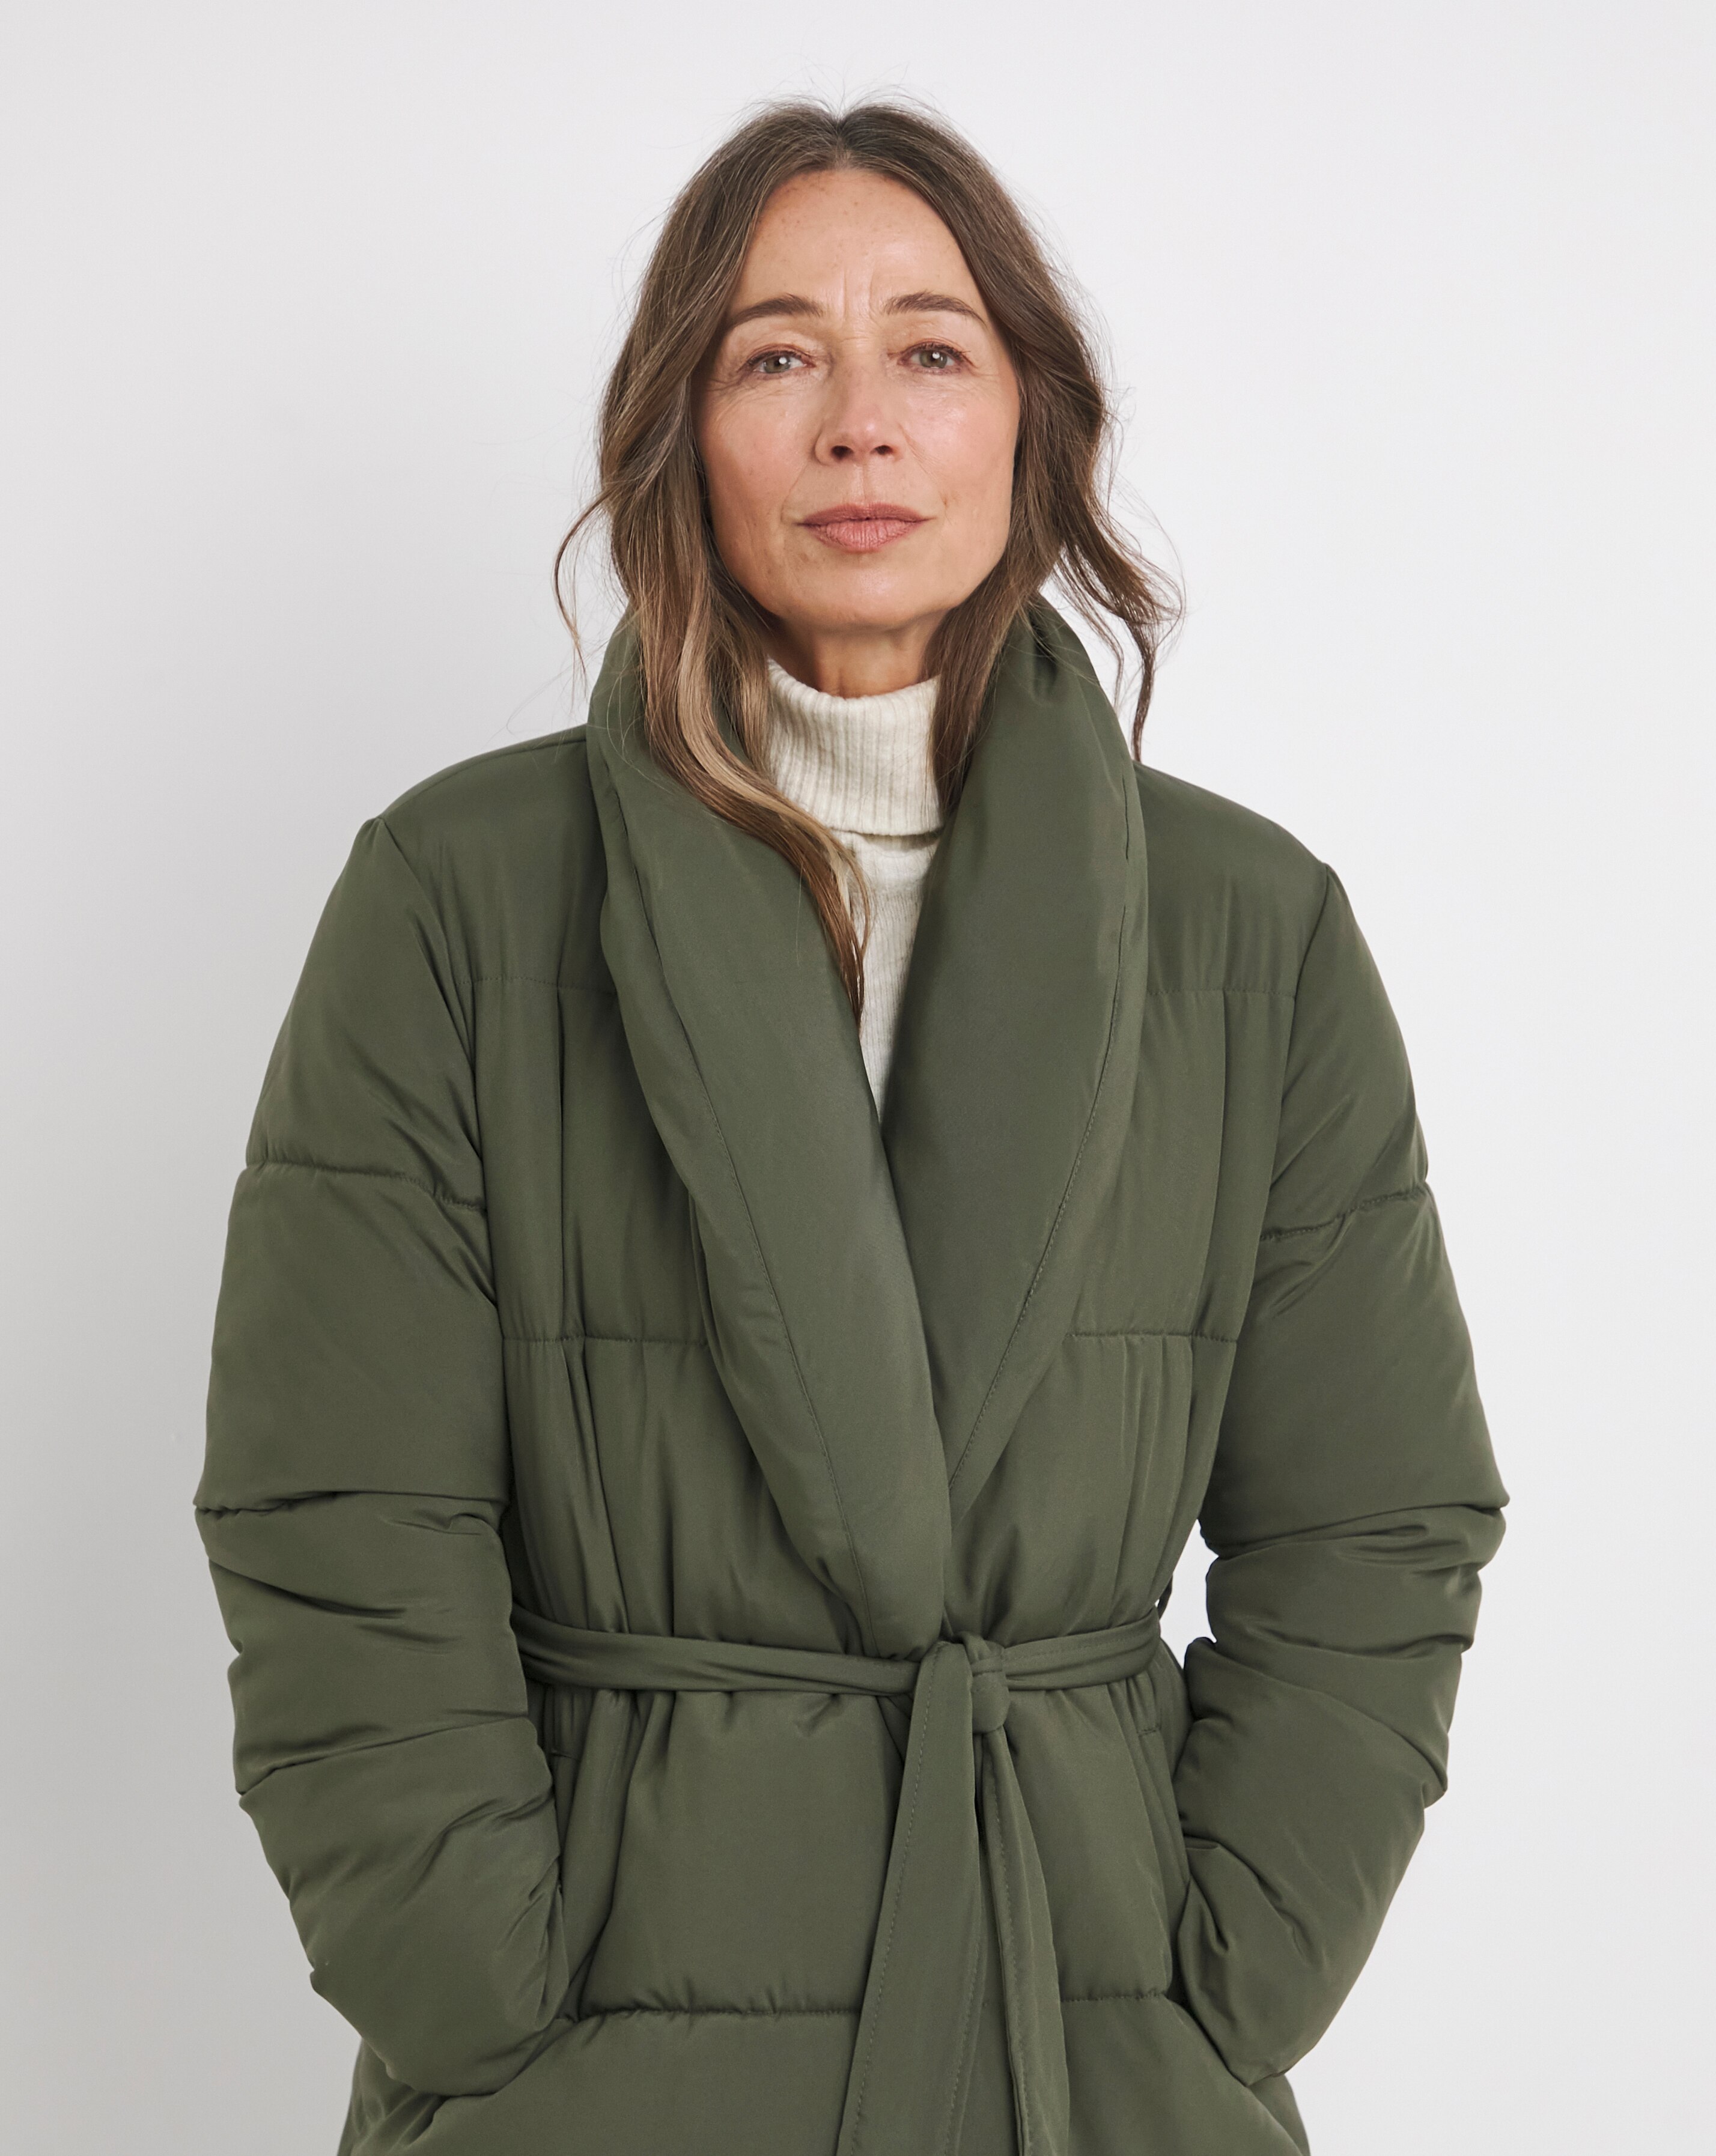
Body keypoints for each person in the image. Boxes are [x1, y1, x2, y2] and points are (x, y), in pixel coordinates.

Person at [195, 99, 1508, 2156]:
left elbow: (1375, 1517)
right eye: (778, 355)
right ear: (680, 433)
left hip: (1083, 2024)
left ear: (1031, 426)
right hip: (595, 2056)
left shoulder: (1250, 932)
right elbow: (337, 1511)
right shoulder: (457, 901)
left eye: (932, 350)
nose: (860, 425)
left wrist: (1228, 1969)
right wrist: (478, 1993)